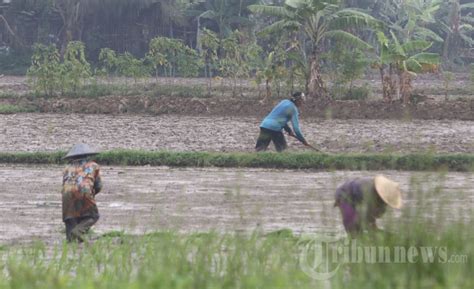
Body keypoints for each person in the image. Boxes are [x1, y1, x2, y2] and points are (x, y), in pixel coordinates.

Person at [334, 175, 402, 237]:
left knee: (367, 226)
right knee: (353, 227)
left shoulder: (381, 200)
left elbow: (376, 215)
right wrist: (372, 228)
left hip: (359, 198)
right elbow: (366, 215)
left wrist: (374, 227)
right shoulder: (369, 191)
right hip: (345, 195)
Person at [61, 143, 103, 242]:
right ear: (87, 155)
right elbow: (98, 185)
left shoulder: (67, 168)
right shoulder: (93, 165)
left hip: (66, 193)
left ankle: (71, 242)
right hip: (84, 191)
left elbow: (64, 183)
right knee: (93, 216)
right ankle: (78, 231)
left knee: (70, 218)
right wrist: (91, 195)